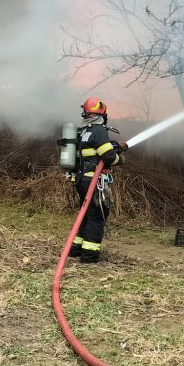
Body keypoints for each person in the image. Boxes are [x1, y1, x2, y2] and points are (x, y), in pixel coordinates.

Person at [69, 97, 127, 263]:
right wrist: (120, 159)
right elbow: (108, 156)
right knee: (96, 216)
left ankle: (76, 249)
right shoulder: (98, 130)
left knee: (85, 214)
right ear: (102, 112)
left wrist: (114, 147)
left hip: (81, 180)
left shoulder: (82, 130)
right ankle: (89, 255)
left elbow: (96, 151)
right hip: (93, 181)